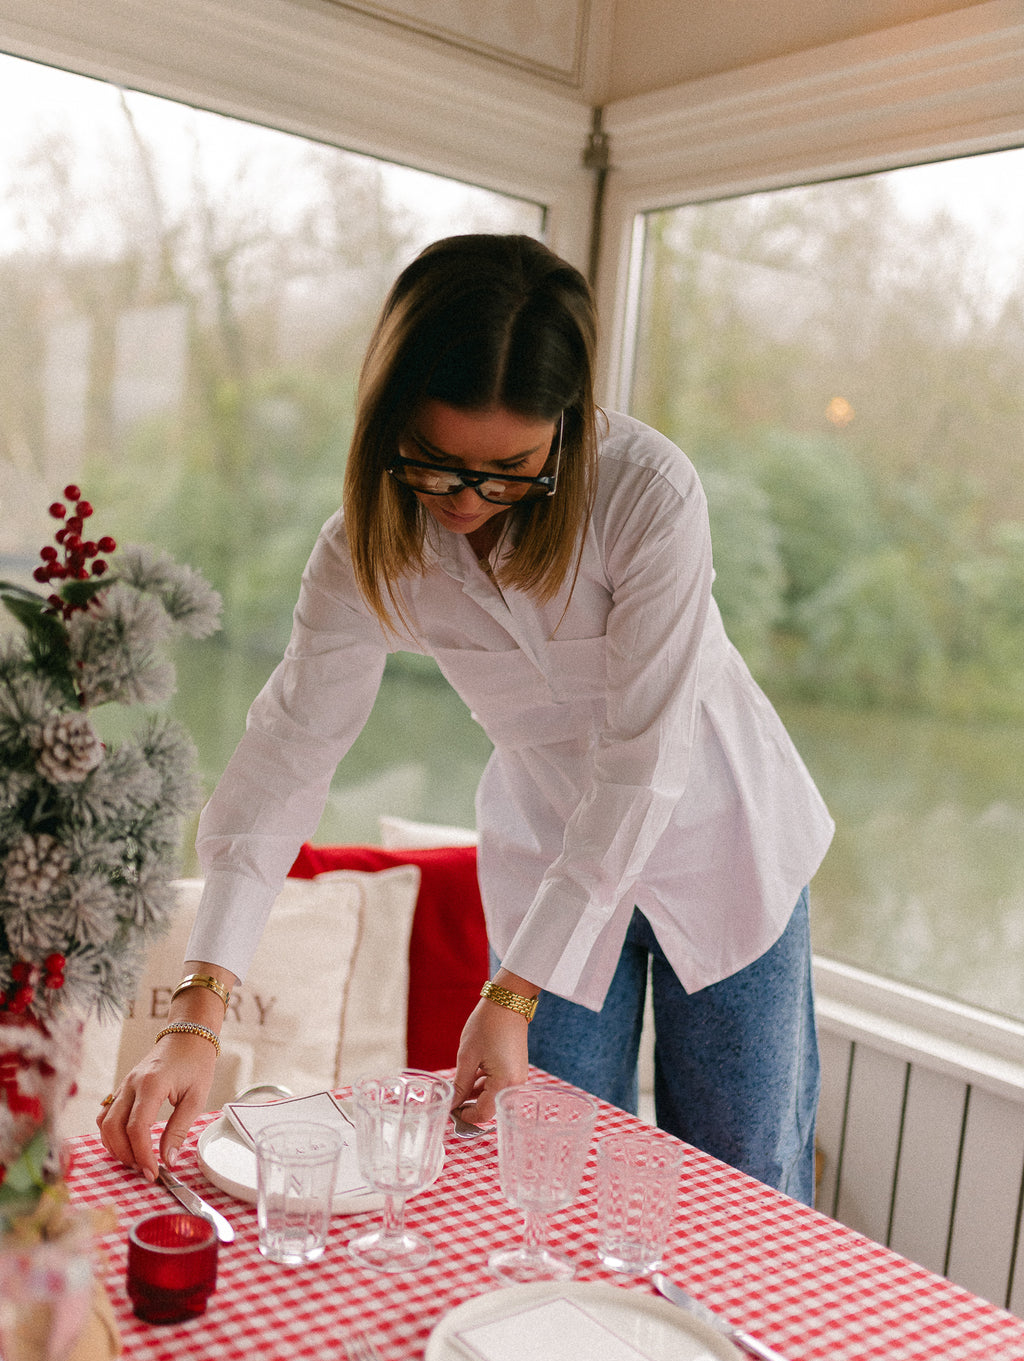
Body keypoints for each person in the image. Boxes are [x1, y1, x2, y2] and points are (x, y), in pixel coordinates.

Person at [99, 232, 833, 1203]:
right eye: (438, 466)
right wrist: (198, 1011)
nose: (469, 501)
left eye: (510, 473)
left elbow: (642, 763)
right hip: (548, 851)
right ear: (388, 418)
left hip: (724, 847)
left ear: (566, 431)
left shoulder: (648, 496)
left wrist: (513, 989)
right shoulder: (362, 553)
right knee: (535, 1171)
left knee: (747, 1183)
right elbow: (287, 754)